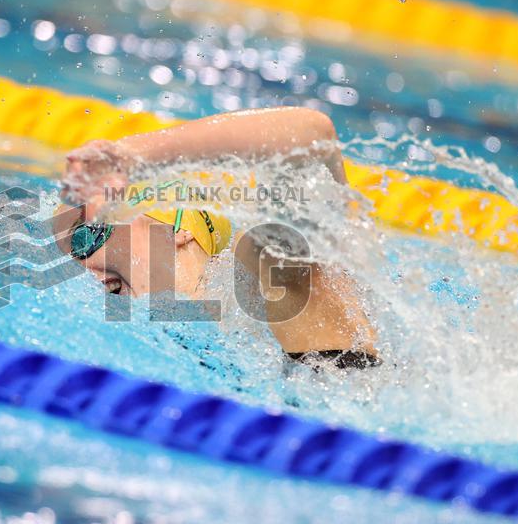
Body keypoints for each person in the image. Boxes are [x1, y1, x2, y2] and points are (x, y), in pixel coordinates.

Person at [56, 107, 379, 369]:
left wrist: (131, 155)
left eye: (86, 236)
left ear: (174, 229)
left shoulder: (260, 271)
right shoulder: (135, 342)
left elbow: (310, 134)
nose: (79, 265)